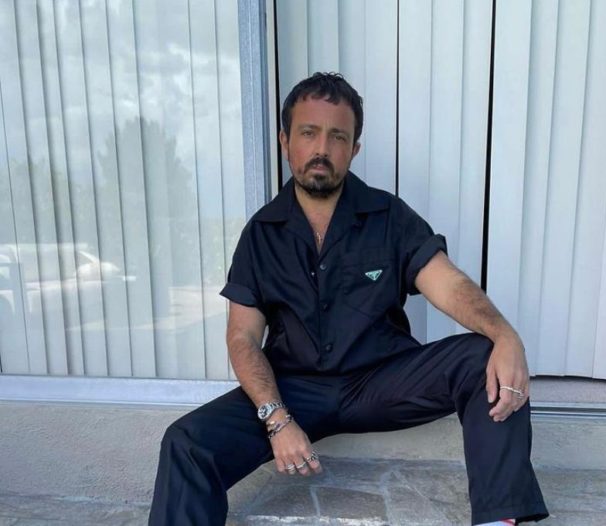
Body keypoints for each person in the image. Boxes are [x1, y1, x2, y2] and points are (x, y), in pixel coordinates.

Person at [148, 72, 549, 525]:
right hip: (294, 390)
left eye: (337, 136)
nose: (322, 148)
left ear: (354, 149)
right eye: (308, 133)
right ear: (285, 141)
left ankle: (498, 520)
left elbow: (449, 285)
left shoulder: (389, 216)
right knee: (185, 442)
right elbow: (242, 337)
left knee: (486, 358)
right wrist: (277, 419)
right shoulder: (260, 234)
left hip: (382, 381)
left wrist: (505, 335)